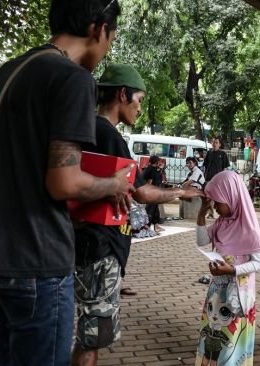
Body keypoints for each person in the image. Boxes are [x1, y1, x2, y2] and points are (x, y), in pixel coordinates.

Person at [0, 1, 136, 365]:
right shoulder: (73, 78)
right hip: (37, 261)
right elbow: (64, 182)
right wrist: (113, 185)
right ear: (98, 28)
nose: (108, 47)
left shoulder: (9, 72)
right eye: (112, 36)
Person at [71, 64, 203, 366]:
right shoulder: (107, 135)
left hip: (84, 242)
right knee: (93, 337)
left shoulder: (83, 128)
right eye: (139, 99)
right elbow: (142, 192)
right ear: (122, 94)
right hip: (101, 247)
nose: (140, 108)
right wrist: (182, 192)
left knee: (88, 331)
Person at [194, 171, 260, 365]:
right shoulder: (221, 223)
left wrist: (232, 270)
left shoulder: (249, 228)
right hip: (217, 293)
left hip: (238, 298)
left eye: (218, 201)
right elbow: (202, 240)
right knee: (212, 334)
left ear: (231, 196)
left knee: (231, 343)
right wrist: (202, 214)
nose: (215, 207)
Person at [203, 137, 230, 217]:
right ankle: (210, 213)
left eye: (216, 142)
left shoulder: (223, 154)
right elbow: (206, 165)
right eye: (213, 142)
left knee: (219, 197)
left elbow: (225, 168)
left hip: (219, 179)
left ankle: (223, 213)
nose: (214, 144)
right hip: (209, 178)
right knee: (208, 197)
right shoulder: (209, 153)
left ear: (220, 144)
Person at [143, 155, 165, 232]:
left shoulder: (150, 168)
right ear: (156, 162)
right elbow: (150, 182)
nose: (160, 162)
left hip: (152, 191)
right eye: (159, 161)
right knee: (151, 208)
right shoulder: (152, 170)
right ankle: (147, 225)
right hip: (151, 192)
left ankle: (156, 225)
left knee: (155, 208)